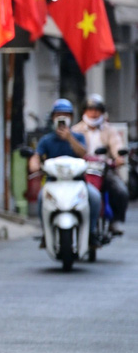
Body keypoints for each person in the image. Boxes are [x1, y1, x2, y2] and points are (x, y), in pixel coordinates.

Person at [29, 98, 99, 245]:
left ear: (72, 118)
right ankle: (45, 234)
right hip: (54, 183)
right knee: (42, 198)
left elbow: (83, 153)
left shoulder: (78, 136)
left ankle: (91, 233)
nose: (62, 118)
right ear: (53, 118)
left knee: (94, 198)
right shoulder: (46, 140)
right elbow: (36, 157)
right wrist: (34, 164)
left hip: (78, 182)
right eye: (59, 115)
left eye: (66, 115)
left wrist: (69, 138)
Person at [72, 94, 127, 236]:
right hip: (82, 169)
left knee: (120, 190)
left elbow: (117, 146)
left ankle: (116, 221)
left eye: (97, 110)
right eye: (90, 109)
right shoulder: (76, 130)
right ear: (84, 111)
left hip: (103, 169)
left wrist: (118, 158)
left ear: (102, 112)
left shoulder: (110, 130)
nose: (93, 113)